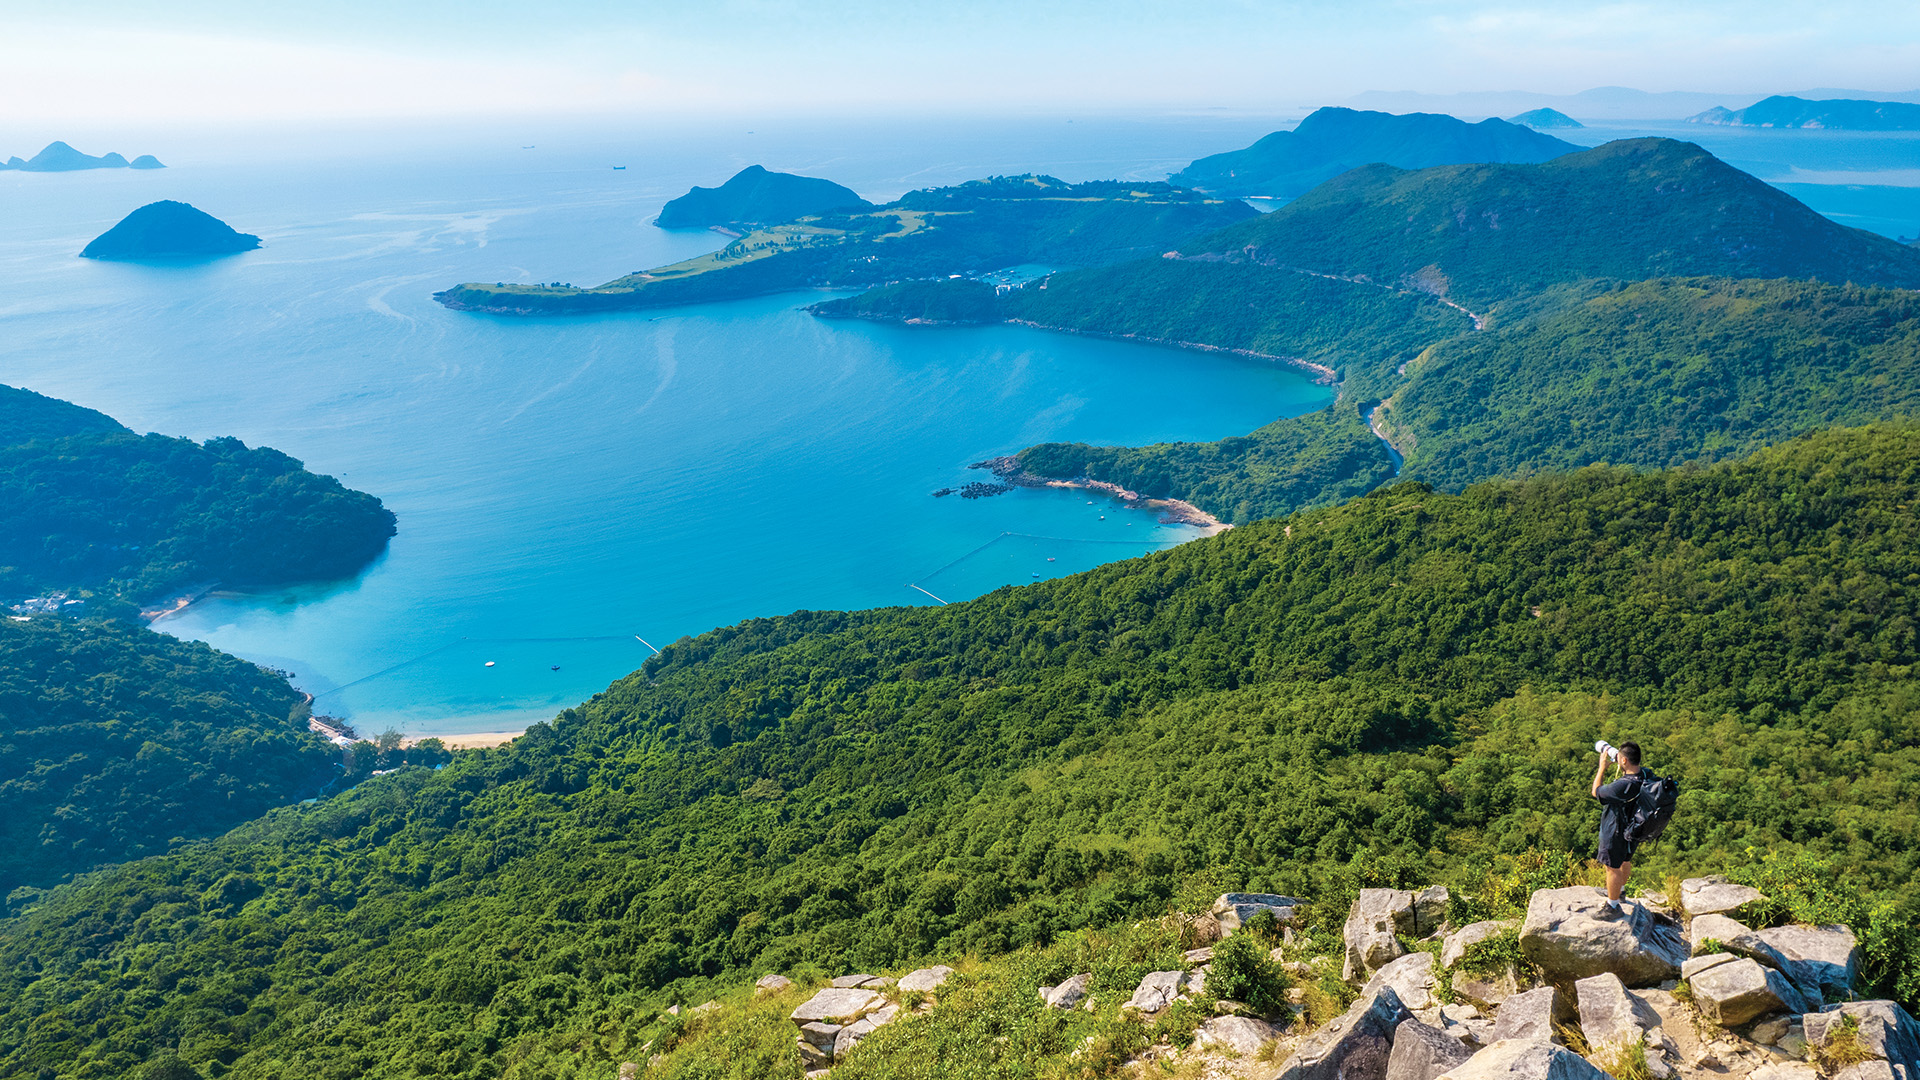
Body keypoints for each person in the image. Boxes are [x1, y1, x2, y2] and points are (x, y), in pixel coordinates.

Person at [1591, 740, 1644, 916]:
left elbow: (1596, 791)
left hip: (1616, 829)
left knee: (1612, 867)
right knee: (1625, 860)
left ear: (1623, 761)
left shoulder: (1623, 785)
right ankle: (1619, 892)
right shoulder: (1645, 775)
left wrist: (1602, 768)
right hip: (1633, 828)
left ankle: (1612, 906)